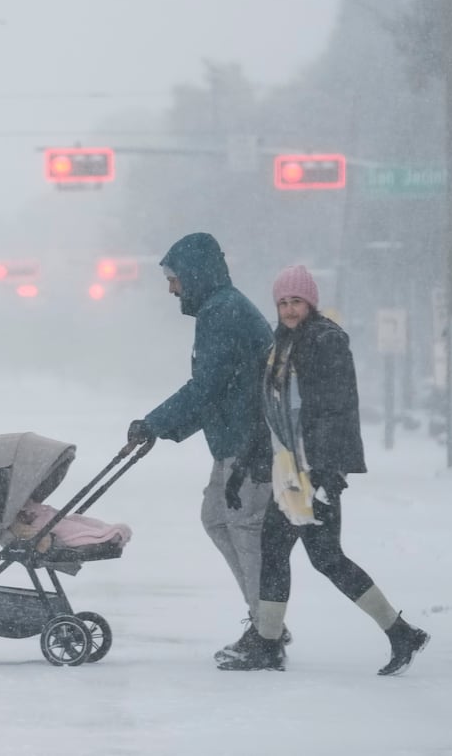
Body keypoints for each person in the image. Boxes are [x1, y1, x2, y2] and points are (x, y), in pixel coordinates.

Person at [217, 264, 430, 675]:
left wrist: (329, 472)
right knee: (319, 556)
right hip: (292, 471)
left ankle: (268, 644)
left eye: (296, 301)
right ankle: (399, 632)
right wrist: (244, 469)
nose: (289, 309)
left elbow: (336, 410)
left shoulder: (324, 342)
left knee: (293, 553)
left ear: (310, 303)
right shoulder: (282, 348)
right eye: (282, 302)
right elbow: (272, 416)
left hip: (313, 472)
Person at [125, 232, 277, 664]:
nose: (171, 288)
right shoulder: (219, 309)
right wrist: (160, 428)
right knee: (216, 517)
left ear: (193, 275)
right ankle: (264, 621)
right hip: (234, 438)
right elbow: (214, 390)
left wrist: (154, 424)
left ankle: (267, 633)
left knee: (244, 527)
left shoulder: (223, 313)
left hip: (249, 442)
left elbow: (206, 388)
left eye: (173, 278)